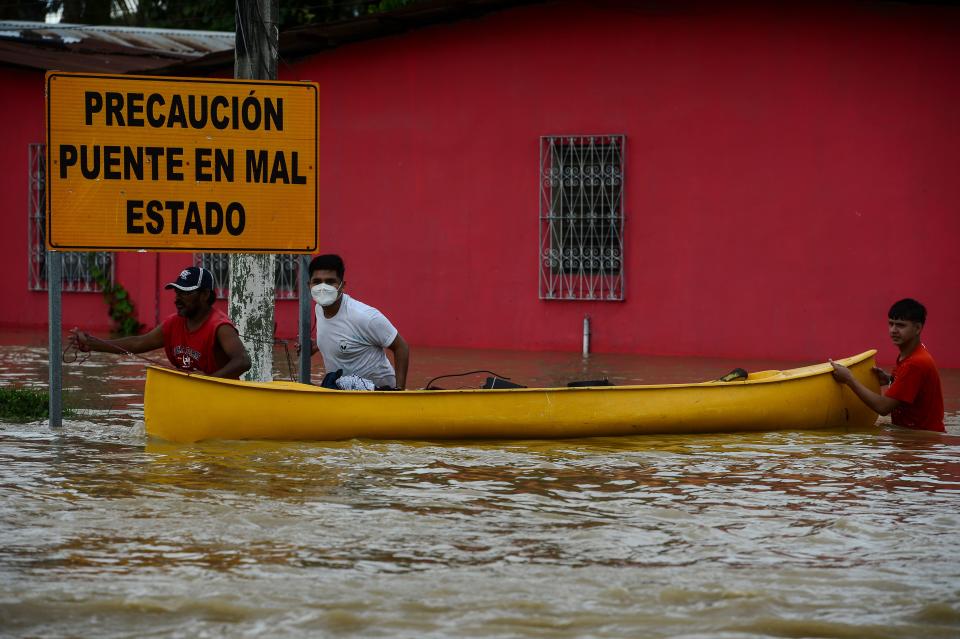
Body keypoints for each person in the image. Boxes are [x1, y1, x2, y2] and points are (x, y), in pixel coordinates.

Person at [70, 266, 251, 379]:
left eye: (186, 293)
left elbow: (243, 361)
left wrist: (209, 380)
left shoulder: (220, 327)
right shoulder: (173, 324)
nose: (178, 298)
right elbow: (138, 343)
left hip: (220, 397)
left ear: (204, 295)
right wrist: (92, 343)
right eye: (176, 292)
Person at [831, 298, 944, 432]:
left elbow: (883, 408)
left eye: (901, 325)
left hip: (920, 440)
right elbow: (914, 388)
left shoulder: (915, 363)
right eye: (891, 324)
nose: (893, 330)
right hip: (916, 436)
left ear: (918, 328)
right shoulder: (914, 353)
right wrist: (891, 380)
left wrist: (849, 380)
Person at [306, 254, 409, 390]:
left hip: (380, 394)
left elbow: (401, 347)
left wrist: (399, 391)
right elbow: (341, 335)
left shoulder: (365, 316)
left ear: (343, 286)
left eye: (330, 282)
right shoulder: (319, 308)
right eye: (317, 281)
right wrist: (318, 345)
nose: (323, 288)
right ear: (309, 285)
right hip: (342, 393)